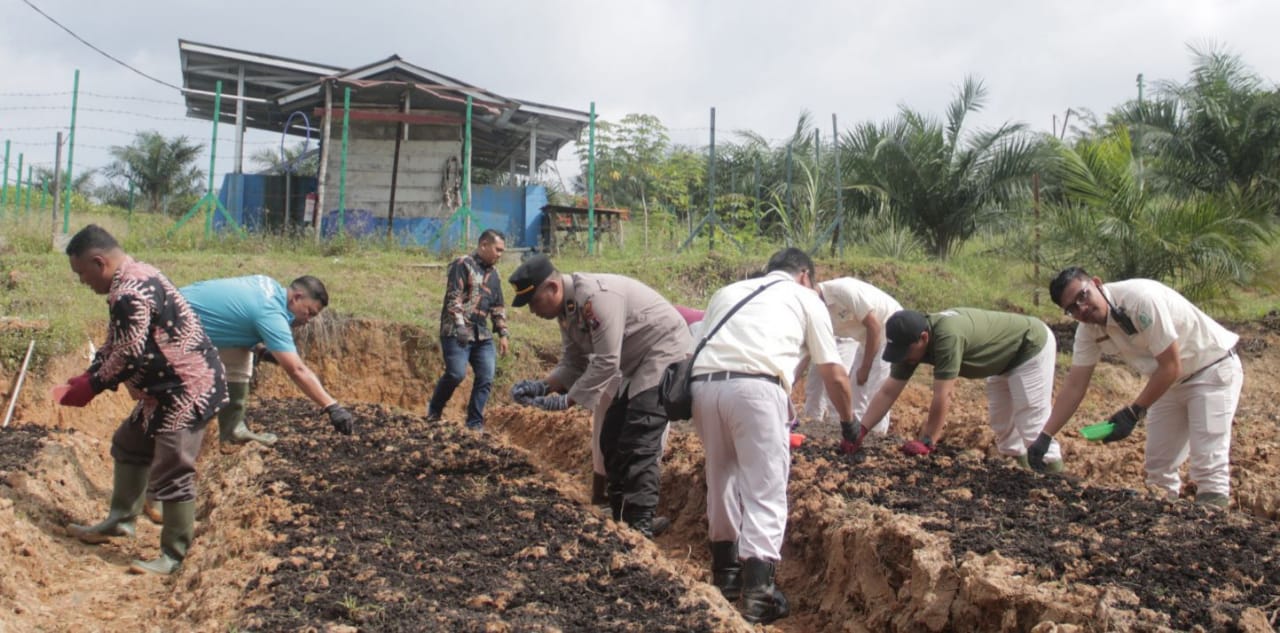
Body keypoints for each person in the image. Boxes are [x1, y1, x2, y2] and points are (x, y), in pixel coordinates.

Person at [690, 248, 855, 625]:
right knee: (765, 489)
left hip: (704, 388)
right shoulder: (805, 299)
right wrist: (848, 422)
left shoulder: (728, 292)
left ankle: (726, 576)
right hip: (756, 391)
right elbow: (834, 373)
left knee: (722, 478)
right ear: (803, 275)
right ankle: (759, 595)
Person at [57, 224, 228, 575]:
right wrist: (91, 372)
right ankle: (121, 520)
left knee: (174, 468)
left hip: (185, 390)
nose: (82, 282)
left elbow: (130, 353)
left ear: (99, 262)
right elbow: (116, 341)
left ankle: (175, 555)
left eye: (81, 273)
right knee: (129, 443)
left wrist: (92, 386)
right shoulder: (135, 276)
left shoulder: (129, 292)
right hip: (163, 389)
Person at [507, 255, 690, 539]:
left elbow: (605, 361)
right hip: (634, 362)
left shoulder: (595, 298)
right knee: (612, 437)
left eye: (534, 302)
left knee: (639, 438)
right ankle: (620, 517)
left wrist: (565, 401)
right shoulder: (567, 310)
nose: (532, 311)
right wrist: (542, 387)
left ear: (553, 288)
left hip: (662, 351)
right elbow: (573, 363)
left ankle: (639, 525)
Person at [1030, 267, 1242, 507]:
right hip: (1167, 384)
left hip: (1210, 370)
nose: (1082, 309)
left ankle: (1213, 529)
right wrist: (1045, 436)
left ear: (1097, 283)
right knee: (1158, 468)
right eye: (1072, 309)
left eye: (1083, 296)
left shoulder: (1140, 300)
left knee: (1208, 465)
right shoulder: (1088, 331)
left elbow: (1171, 365)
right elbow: (1075, 386)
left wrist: (1133, 413)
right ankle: (1167, 532)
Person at [845, 308, 1063, 472]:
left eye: (906, 351)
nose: (904, 357)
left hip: (1029, 345)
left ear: (923, 338)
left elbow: (944, 394)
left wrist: (928, 440)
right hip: (1002, 361)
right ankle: (1027, 478)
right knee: (1003, 426)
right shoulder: (910, 344)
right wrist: (861, 431)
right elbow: (888, 391)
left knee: (1032, 424)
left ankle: (1055, 483)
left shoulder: (947, 337)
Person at [181, 274, 354, 449]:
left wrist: (259, 349)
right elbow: (297, 370)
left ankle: (233, 430)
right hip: (170, 329)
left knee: (242, 352)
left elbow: (234, 317)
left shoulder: (267, 285)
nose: (307, 320)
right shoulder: (271, 314)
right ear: (297, 297)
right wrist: (332, 406)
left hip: (179, 307)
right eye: (309, 312)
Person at [427, 229, 510, 431]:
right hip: (456, 331)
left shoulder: (495, 274)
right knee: (456, 374)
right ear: (483, 245)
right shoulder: (462, 264)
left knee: (486, 377)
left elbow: (497, 306)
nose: (500, 254)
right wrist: (460, 325)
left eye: (502, 251)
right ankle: (434, 412)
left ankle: (474, 424)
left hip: (482, 334)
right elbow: (453, 297)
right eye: (497, 249)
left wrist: (503, 333)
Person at [803, 277, 903, 441]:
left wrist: (865, 367)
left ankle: (877, 441)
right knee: (857, 391)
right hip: (866, 340)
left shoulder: (843, 291)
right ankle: (856, 439)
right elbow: (808, 349)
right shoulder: (815, 309)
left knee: (875, 390)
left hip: (889, 332)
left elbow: (874, 326)